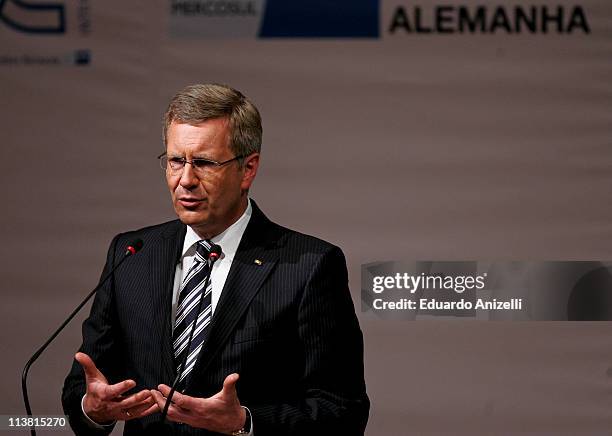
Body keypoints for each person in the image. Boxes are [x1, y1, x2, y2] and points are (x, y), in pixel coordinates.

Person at [62, 83, 369, 435]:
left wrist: (244, 423)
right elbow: (83, 391)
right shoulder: (131, 255)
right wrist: (93, 409)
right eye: (176, 161)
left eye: (205, 163)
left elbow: (343, 411)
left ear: (248, 168)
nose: (186, 180)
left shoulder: (308, 266)